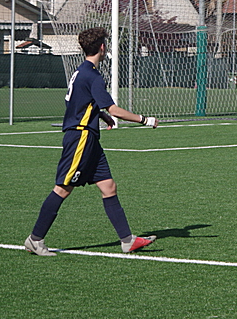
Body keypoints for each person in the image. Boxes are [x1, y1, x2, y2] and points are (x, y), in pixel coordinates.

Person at [24, 27, 159, 257]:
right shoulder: (93, 76)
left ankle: (127, 240)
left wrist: (101, 115)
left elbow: (81, 101)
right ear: (102, 47)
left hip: (90, 139)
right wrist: (145, 120)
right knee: (63, 188)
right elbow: (114, 109)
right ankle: (35, 239)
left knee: (108, 186)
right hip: (81, 138)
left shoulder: (81, 71)